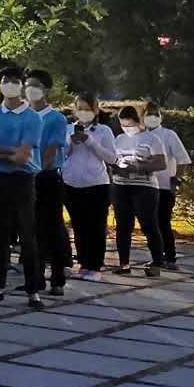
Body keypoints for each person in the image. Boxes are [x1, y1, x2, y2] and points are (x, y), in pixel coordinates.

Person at [0, 66, 44, 310]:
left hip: (22, 180)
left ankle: (33, 289)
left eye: (15, 81)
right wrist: (9, 152)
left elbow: (23, 157)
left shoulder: (32, 117)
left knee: (27, 235)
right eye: (5, 80)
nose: (9, 84)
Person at [24, 68, 72, 296]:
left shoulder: (56, 118)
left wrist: (35, 171)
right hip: (25, 177)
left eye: (35, 85)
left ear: (45, 90)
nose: (30, 89)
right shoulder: (24, 115)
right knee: (31, 229)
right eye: (27, 84)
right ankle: (35, 277)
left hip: (47, 178)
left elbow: (50, 151)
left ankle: (58, 277)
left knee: (51, 227)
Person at [62, 92, 117, 279]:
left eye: (87, 109)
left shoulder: (103, 131)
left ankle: (95, 267)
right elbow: (60, 154)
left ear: (95, 110)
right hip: (71, 183)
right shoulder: (68, 128)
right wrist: (71, 142)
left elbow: (112, 157)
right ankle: (83, 264)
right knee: (79, 226)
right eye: (80, 109)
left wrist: (90, 142)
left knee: (95, 226)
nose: (83, 113)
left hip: (96, 185)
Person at [111, 106, 168, 275]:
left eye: (130, 124)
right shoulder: (119, 139)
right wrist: (116, 167)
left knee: (149, 224)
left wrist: (138, 167)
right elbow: (113, 159)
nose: (127, 128)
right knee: (123, 225)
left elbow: (161, 163)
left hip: (144, 187)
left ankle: (157, 262)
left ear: (137, 121)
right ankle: (124, 263)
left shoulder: (152, 139)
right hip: (121, 185)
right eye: (123, 125)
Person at [142, 103, 191, 271]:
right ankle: (157, 257)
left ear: (160, 116)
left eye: (155, 114)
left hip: (164, 187)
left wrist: (176, 178)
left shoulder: (169, 135)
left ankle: (170, 257)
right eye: (149, 114)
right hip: (146, 187)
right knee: (149, 224)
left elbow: (183, 159)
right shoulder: (140, 136)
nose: (152, 117)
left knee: (163, 222)